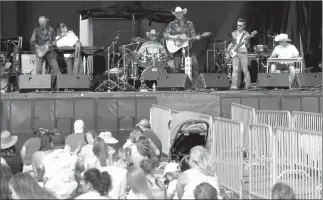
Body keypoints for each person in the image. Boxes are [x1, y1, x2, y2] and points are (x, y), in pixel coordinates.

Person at [163, 6, 201, 79]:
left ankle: (197, 83)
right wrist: (175, 37)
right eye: (177, 14)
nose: (178, 15)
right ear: (175, 15)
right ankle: (178, 85)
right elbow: (165, 34)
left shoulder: (189, 23)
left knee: (195, 64)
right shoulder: (172, 24)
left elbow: (193, 35)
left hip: (188, 47)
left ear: (183, 14)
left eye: (180, 13)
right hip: (176, 48)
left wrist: (196, 37)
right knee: (177, 67)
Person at [30, 16, 61, 86]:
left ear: (46, 22)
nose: (43, 24)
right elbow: (32, 42)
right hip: (40, 51)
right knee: (38, 69)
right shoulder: (36, 30)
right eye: (41, 22)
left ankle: (54, 86)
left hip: (49, 51)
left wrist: (53, 44)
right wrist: (39, 47)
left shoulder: (51, 30)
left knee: (56, 68)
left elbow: (54, 41)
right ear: (39, 23)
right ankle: (39, 86)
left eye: (44, 22)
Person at [226, 18, 252, 90]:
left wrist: (246, 42)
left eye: (240, 25)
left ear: (244, 26)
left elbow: (247, 45)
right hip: (235, 53)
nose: (238, 27)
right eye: (238, 25)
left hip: (243, 53)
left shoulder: (247, 34)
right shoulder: (234, 33)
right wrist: (230, 49)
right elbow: (233, 43)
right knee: (235, 69)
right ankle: (234, 86)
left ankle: (248, 85)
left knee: (245, 69)